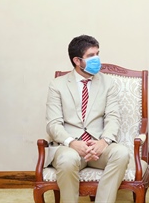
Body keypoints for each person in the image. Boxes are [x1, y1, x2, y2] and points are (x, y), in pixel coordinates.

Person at [46, 35, 129, 203]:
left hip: (98, 146)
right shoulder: (57, 85)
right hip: (69, 147)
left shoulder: (108, 83)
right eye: (91, 56)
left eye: (98, 54)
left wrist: (104, 142)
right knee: (67, 159)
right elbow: (53, 124)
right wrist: (72, 143)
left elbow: (113, 116)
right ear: (77, 60)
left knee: (121, 153)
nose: (97, 59)